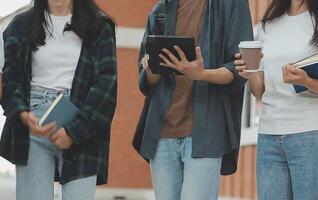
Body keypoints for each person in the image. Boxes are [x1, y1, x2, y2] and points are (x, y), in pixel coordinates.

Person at [133, 0, 253, 199]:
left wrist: (201, 74)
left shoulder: (232, 4)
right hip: (162, 135)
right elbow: (145, 82)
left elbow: (239, 70)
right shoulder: (161, 8)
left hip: (205, 134)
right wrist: (151, 68)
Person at [0, 0, 117, 199]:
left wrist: (74, 132)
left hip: (83, 123)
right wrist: (22, 113)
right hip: (33, 126)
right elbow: (11, 79)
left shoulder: (99, 26)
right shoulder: (20, 25)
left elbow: (106, 86)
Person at [235, 0, 318, 199]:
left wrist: (306, 80)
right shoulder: (267, 27)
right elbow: (260, 91)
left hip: (310, 136)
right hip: (269, 137)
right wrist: (250, 74)